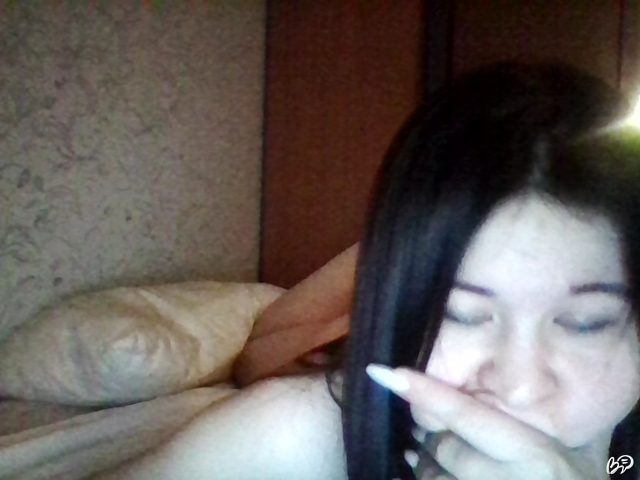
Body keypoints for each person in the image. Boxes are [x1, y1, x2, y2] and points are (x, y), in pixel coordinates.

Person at [100, 62, 640, 480]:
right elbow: (264, 361)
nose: (519, 388)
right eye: (459, 313)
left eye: (587, 323)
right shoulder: (293, 434)